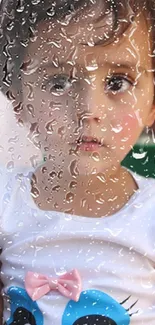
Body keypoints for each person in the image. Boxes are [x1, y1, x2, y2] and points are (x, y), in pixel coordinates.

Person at [0, 0, 155, 324]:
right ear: (20, 101)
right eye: (58, 83)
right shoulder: (5, 198)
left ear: (152, 102)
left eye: (118, 82)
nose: (88, 110)